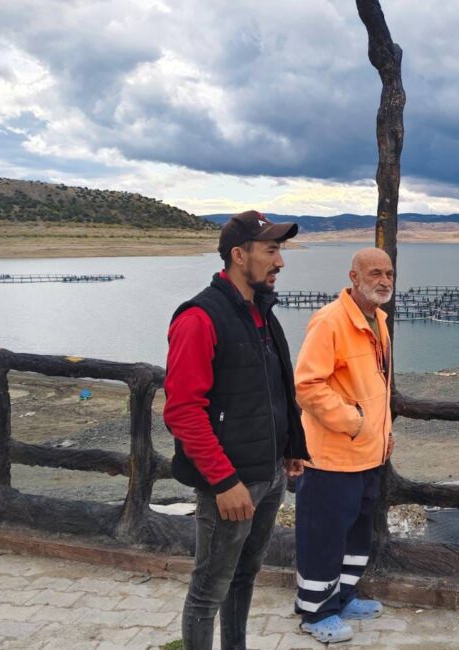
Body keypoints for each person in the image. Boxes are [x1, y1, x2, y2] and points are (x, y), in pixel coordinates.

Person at [164, 210, 309, 650]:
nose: (280, 261)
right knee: (209, 588)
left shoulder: (262, 314)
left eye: (280, 250)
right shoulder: (199, 318)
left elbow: (278, 390)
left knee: (245, 576)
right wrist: (224, 481)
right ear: (238, 255)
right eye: (271, 250)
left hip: (268, 476)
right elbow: (183, 410)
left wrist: (291, 450)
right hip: (229, 485)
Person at [293, 247, 395, 644]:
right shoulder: (331, 321)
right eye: (374, 273)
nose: (383, 280)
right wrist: (353, 423)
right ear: (353, 277)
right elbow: (307, 385)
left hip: (369, 454)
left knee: (355, 533)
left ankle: (343, 595)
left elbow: (374, 386)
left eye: (388, 273)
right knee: (323, 535)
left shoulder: (378, 320)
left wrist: (382, 432)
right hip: (332, 456)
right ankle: (315, 613)